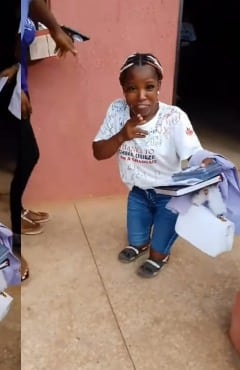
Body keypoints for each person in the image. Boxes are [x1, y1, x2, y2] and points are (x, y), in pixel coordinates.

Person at [92, 52, 212, 278]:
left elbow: (194, 153)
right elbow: (98, 152)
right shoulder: (117, 111)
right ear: (122, 89)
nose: (141, 96)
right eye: (131, 88)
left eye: (149, 87)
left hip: (169, 194)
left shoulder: (173, 117)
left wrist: (209, 165)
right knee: (136, 239)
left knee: (158, 251)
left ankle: (159, 255)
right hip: (138, 191)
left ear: (159, 86)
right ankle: (140, 245)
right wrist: (121, 136)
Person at [0, 0, 77, 242]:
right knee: (27, 155)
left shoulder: (33, 11)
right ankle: (15, 224)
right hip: (9, 91)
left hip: (20, 87)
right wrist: (56, 30)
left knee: (26, 154)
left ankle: (18, 208)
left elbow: (22, 52)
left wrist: (52, 42)